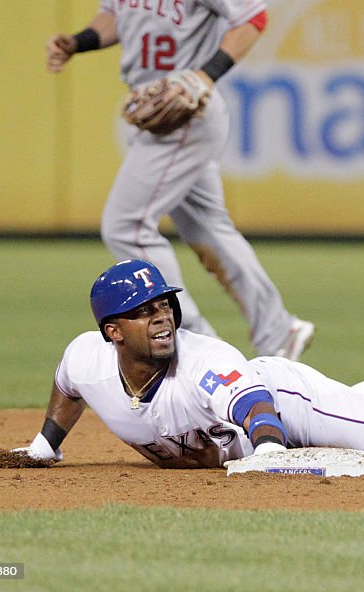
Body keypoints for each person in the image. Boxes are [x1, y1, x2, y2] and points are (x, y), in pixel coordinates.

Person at [13, 260, 364, 470]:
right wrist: (46, 445)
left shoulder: (203, 360)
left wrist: (271, 450)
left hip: (283, 404)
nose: (161, 318)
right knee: (361, 412)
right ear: (112, 332)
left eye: (164, 304)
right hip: (272, 416)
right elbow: (69, 383)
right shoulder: (87, 357)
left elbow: (253, 404)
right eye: (142, 313)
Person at [45, 0, 313, 360]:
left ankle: (195, 344)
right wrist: (79, 41)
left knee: (126, 225)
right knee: (208, 229)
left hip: (188, 110)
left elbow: (253, 17)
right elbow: (115, 15)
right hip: (158, 109)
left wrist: (206, 74)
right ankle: (279, 330)